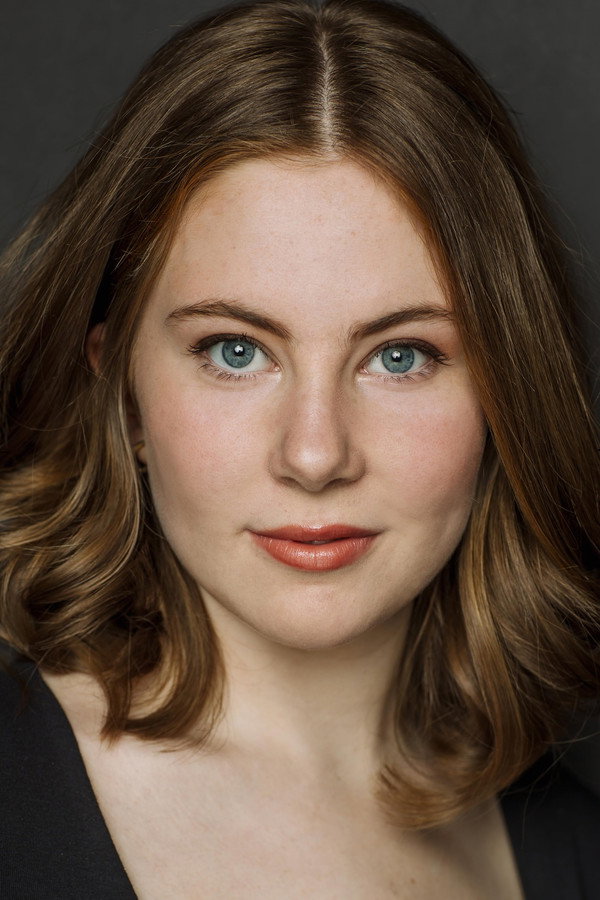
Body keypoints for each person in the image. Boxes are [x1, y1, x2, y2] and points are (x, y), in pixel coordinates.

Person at [0, 0, 599, 896]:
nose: (315, 457)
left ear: (505, 394)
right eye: (235, 352)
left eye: (401, 356)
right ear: (122, 390)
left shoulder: (576, 850)